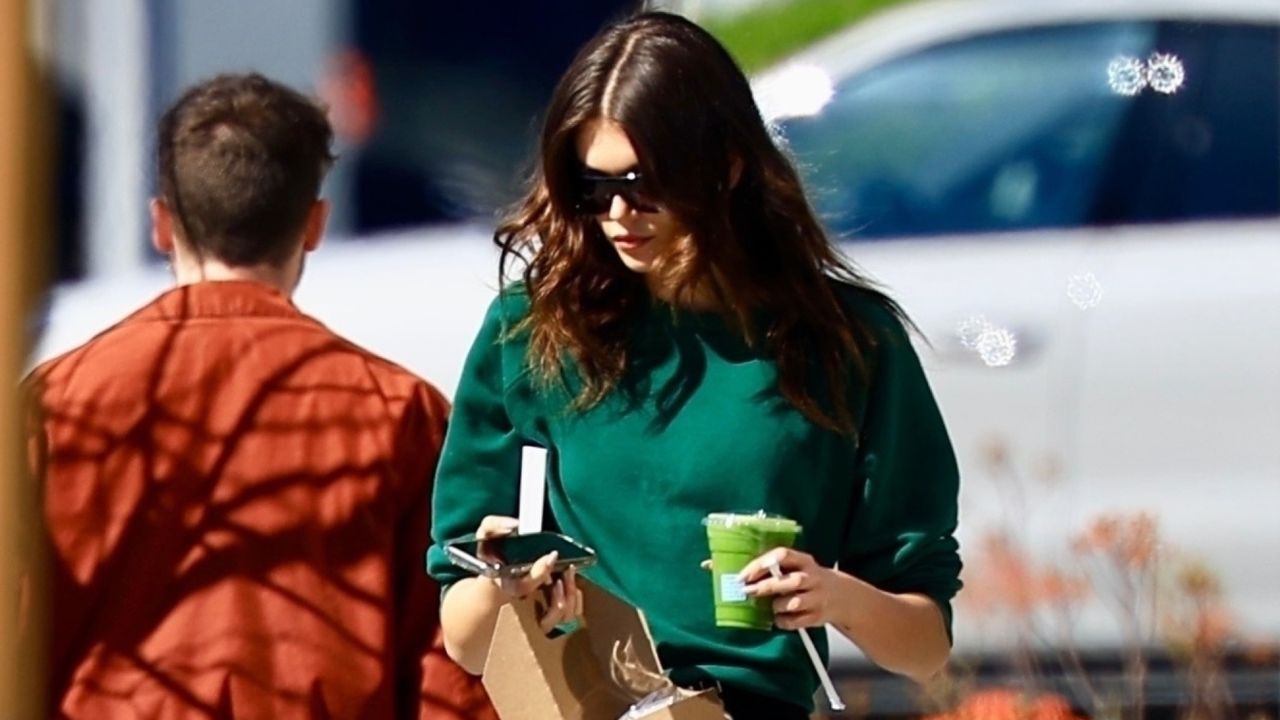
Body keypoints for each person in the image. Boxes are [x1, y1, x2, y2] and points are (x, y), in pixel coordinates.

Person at [427, 11, 962, 720]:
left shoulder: (845, 342)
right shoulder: (532, 333)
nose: (617, 212)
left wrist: (834, 595)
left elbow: (925, 647)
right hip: (585, 702)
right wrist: (505, 584)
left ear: (728, 167)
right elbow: (463, 638)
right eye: (592, 187)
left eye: (644, 184)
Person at [25, 73, 496, 719]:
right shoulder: (399, 414)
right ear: (314, 224)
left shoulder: (57, 404)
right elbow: (448, 669)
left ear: (163, 224)